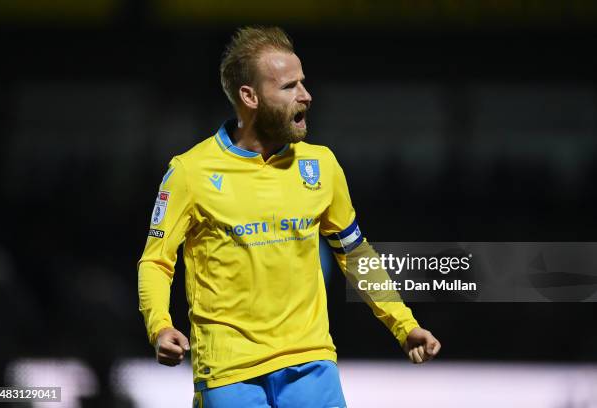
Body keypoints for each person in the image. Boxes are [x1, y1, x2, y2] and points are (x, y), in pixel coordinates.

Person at [138, 26, 441, 408]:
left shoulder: (322, 165)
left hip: (311, 363)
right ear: (249, 97)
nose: (306, 95)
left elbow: (355, 253)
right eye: (289, 87)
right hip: (230, 372)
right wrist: (160, 326)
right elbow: (155, 261)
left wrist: (404, 325)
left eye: (303, 83)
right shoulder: (190, 172)